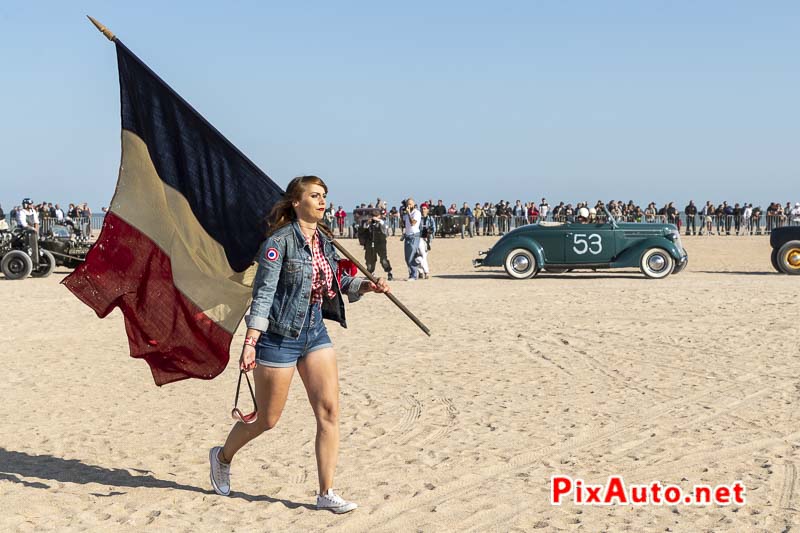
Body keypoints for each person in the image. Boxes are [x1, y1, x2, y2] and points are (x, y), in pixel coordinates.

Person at [209, 176, 390, 513]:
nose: (322, 202)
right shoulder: (278, 243)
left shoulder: (324, 240)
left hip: (314, 331)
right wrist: (251, 343)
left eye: (324, 196)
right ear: (296, 202)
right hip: (279, 336)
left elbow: (338, 280)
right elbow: (262, 294)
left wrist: (366, 286)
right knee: (266, 419)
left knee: (329, 412)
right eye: (314, 196)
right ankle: (222, 456)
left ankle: (326, 493)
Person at [359, 209, 393, 280]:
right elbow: (363, 228)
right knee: (370, 259)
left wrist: (379, 220)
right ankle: (370, 273)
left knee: (383, 259)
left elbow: (386, 229)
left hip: (380, 243)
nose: (374, 217)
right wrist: (368, 223)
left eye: (376, 216)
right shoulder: (368, 223)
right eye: (373, 216)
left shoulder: (382, 222)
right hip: (370, 243)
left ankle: (389, 272)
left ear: (379, 216)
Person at [401, 198, 421, 280]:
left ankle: (414, 275)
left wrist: (409, 213)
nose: (409, 206)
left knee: (411, 256)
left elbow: (413, 223)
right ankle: (413, 272)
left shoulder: (417, 213)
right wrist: (402, 214)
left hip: (414, 235)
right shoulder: (406, 214)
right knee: (407, 257)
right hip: (407, 236)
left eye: (410, 204)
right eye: (407, 204)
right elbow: (403, 224)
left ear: (414, 204)